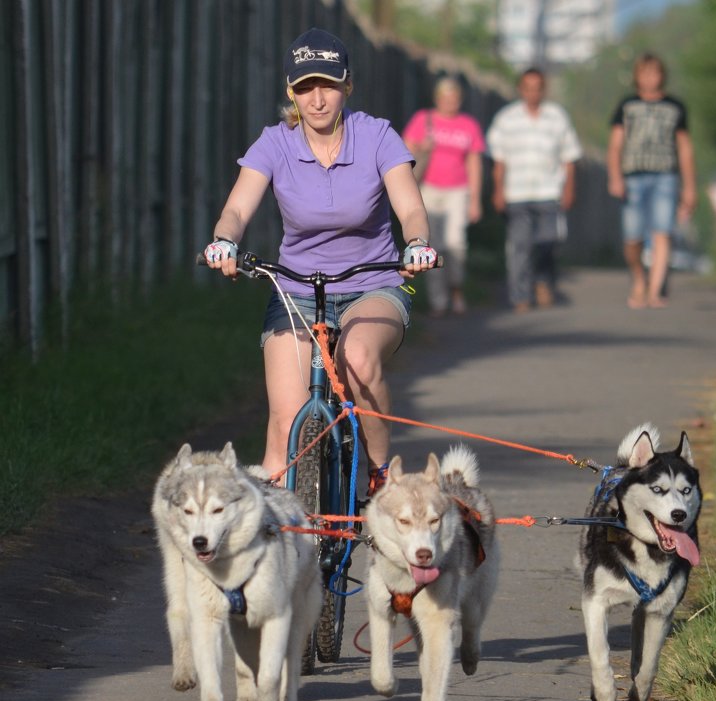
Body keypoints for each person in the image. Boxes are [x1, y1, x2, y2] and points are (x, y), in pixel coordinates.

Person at [203, 28, 437, 492]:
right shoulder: (274, 143)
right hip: (296, 293)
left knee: (357, 358)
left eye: (328, 85)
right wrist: (224, 241)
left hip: (373, 285)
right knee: (287, 419)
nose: (317, 99)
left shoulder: (377, 136)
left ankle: (377, 475)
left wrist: (416, 243)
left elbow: (410, 208)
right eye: (305, 87)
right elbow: (235, 209)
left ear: (347, 85)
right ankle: (285, 534)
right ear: (291, 91)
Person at [486, 68, 582, 313]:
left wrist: (570, 188)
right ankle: (521, 295)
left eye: (537, 87)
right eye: (527, 87)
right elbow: (499, 160)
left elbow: (569, 157)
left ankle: (543, 281)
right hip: (516, 193)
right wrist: (498, 190)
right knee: (520, 246)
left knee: (548, 242)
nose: (532, 92)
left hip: (549, 192)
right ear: (520, 89)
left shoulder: (557, 117)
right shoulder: (506, 119)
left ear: (544, 89)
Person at [607, 52, 697, 309]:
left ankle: (655, 290)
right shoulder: (626, 106)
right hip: (632, 176)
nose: (650, 78)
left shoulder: (675, 107)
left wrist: (690, 187)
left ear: (662, 75)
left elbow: (685, 149)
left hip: (665, 176)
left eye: (655, 72)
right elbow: (615, 145)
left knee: (662, 232)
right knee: (632, 236)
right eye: (644, 73)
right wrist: (615, 177)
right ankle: (639, 278)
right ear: (637, 76)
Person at [402, 76, 485, 316]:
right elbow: (402, 151)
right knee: (432, 246)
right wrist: (420, 147)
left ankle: (457, 289)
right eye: (445, 97)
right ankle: (439, 301)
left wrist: (475, 199)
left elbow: (474, 163)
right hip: (428, 189)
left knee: (456, 242)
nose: (450, 101)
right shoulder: (423, 120)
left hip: (458, 190)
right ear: (437, 98)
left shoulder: (468, 125)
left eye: (454, 97)